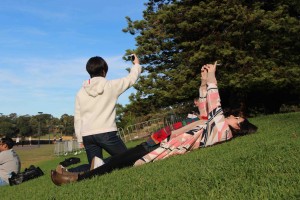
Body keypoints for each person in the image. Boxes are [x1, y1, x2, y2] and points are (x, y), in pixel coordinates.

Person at [51, 61, 257, 185]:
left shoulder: (223, 132)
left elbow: (214, 106)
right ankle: (73, 174)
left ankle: (74, 178)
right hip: (157, 141)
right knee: (116, 161)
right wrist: (204, 82)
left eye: (237, 118)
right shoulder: (215, 126)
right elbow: (206, 111)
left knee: (117, 162)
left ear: (238, 125)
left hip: (161, 148)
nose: (232, 116)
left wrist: (212, 77)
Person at [71, 54, 142, 172]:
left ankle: (70, 172)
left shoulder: (80, 92)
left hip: (87, 136)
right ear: (104, 71)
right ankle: (74, 172)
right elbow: (131, 79)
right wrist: (136, 65)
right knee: (129, 160)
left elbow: (78, 117)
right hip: (106, 134)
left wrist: (80, 139)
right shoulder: (110, 86)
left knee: (97, 169)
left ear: (89, 72)